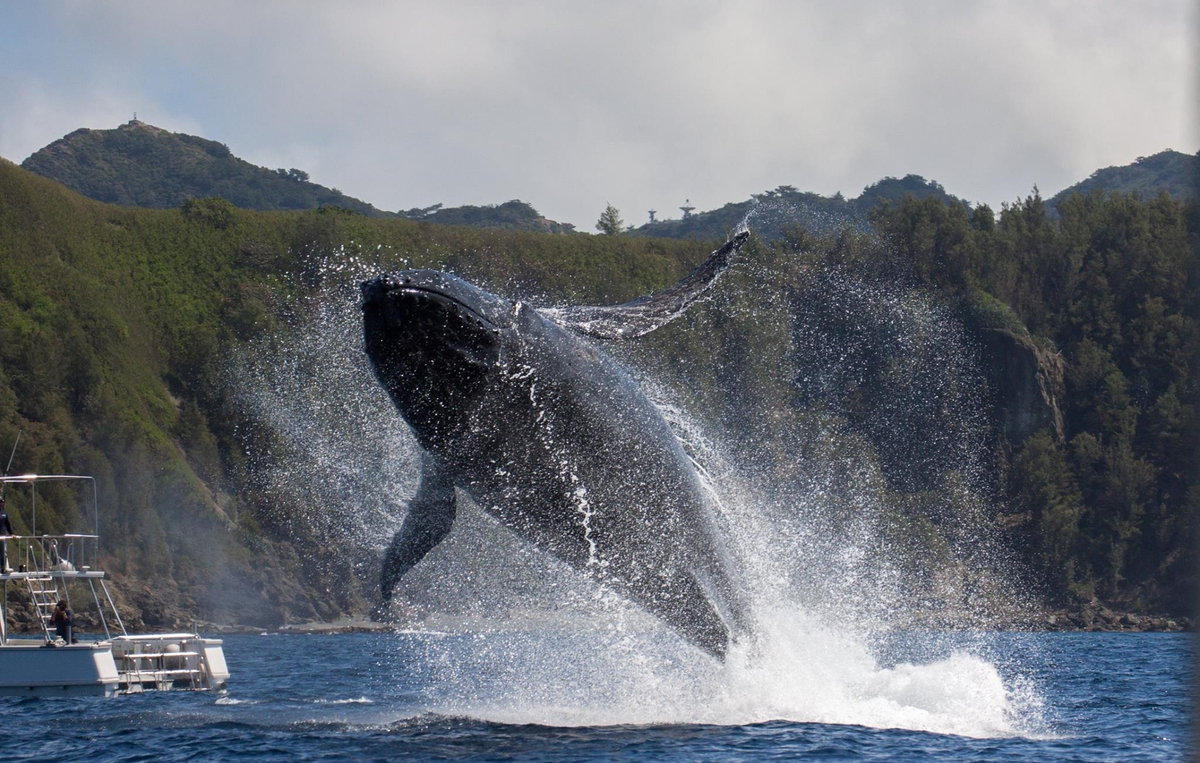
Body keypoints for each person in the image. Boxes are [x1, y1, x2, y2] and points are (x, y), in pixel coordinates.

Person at [0, 498, 13, 574]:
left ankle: (3, 568)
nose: (1, 503)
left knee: (2, 553)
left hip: (2, 535)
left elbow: (8, 525)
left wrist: (11, 533)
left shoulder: (4, 513)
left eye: (2, 502)